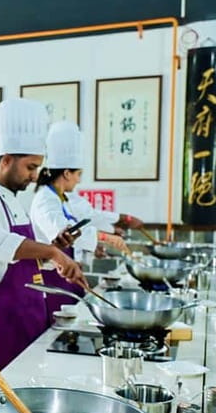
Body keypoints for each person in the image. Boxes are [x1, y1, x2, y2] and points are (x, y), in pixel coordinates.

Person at [0, 99, 85, 369]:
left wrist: (52, 249)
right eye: (30, 167)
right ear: (6, 160)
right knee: (3, 395)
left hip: (27, 312)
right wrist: (52, 252)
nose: (34, 177)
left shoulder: (14, 201)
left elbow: (18, 260)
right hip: (0, 317)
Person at [29, 122, 136, 315]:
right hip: (51, 275)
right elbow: (63, 232)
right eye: (78, 174)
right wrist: (108, 237)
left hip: (68, 271)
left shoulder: (63, 197)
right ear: (67, 173)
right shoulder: (44, 200)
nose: (79, 180)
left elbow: (86, 218)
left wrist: (96, 243)